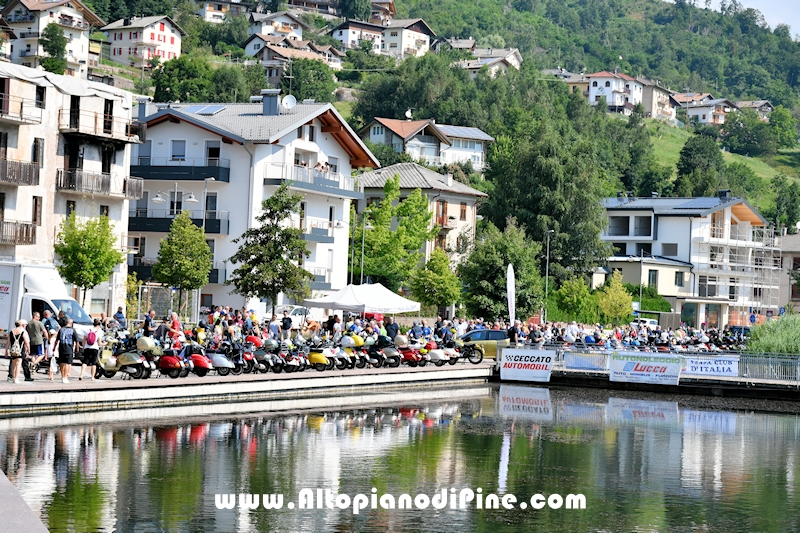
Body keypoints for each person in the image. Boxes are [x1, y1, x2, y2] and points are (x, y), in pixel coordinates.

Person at [53, 318, 78, 384]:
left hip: (61, 348)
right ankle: (65, 377)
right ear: (71, 323)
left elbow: (56, 340)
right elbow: (77, 340)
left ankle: (62, 376)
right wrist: (76, 348)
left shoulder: (61, 329)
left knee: (62, 363)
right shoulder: (73, 330)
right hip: (69, 348)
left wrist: (54, 348)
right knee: (67, 363)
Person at [8, 319, 30, 384]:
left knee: (13, 364)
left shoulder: (11, 331)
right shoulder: (23, 332)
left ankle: (13, 377)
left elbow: (7, 342)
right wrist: (28, 350)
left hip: (13, 350)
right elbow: (26, 342)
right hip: (20, 350)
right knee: (18, 364)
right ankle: (16, 379)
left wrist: (6, 350)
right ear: (21, 324)